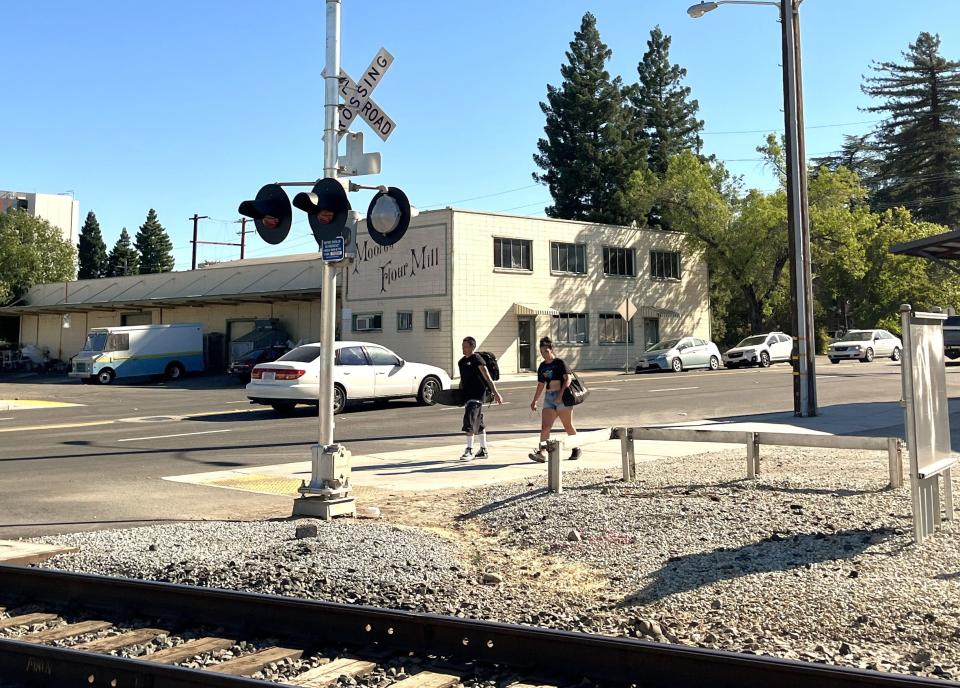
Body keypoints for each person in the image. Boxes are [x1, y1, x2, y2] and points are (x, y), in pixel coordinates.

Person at [528, 336, 580, 462]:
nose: (544, 354)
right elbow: (541, 384)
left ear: (551, 350)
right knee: (545, 427)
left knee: (567, 425)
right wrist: (535, 400)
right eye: (541, 352)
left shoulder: (560, 363)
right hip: (549, 398)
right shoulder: (542, 366)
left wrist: (560, 395)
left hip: (562, 397)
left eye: (546, 351)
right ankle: (542, 452)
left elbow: (568, 379)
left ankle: (576, 448)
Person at [457, 336, 503, 461]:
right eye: (463, 347)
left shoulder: (478, 359)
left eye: (466, 347)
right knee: (478, 422)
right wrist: (459, 394)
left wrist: (496, 393)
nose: (464, 349)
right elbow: (463, 379)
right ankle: (483, 449)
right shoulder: (461, 362)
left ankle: (469, 450)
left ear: (472, 347)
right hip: (467, 395)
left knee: (470, 420)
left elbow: (487, 377)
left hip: (478, 394)